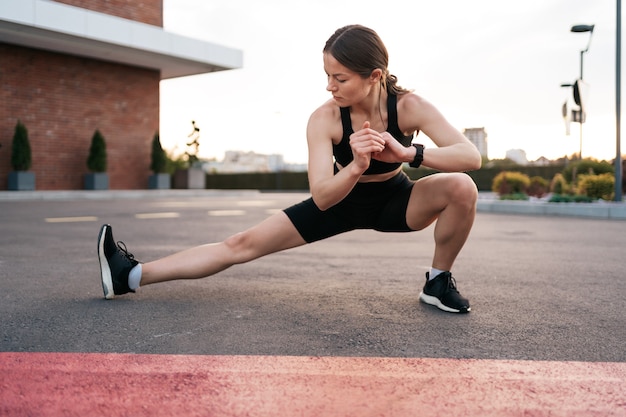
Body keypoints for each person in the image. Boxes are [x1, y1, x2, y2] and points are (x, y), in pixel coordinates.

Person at [97, 24, 481, 313]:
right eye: (327, 75)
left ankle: (437, 282)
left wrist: (407, 153)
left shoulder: (409, 106)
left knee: (462, 187)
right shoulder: (325, 118)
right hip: (339, 201)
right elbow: (322, 195)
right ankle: (130, 275)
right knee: (239, 245)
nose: (330, 86)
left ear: (374, 76)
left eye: (340, 77)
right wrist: (356, 165)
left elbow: (470, 157)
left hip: (398, 199)